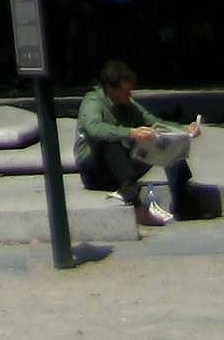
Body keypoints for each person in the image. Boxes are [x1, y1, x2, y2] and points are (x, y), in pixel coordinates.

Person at [75, 60, 201, 226]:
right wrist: (130, 132)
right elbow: (94, 129)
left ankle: (182, 197)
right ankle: (131, 194)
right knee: (109, 138)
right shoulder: (93, 102)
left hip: (122, 167)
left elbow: (154, 122)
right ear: (110, 88)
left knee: (166, 141)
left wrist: (184, 131)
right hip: (94, 170)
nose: (129, 95)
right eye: (125, 91)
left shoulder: (128, 104)